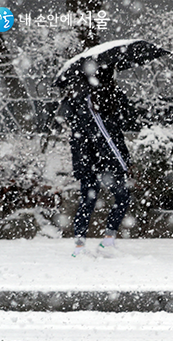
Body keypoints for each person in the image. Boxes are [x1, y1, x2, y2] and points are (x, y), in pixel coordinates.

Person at [61, 68, 137, 257]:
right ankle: (105, 242)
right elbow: (106, 136)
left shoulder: (79, 98)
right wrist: (122, 162)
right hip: (102, 161)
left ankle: (82, 246)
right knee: (119, 197)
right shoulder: (94, 100)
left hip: (88, 160)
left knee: (88, 200)